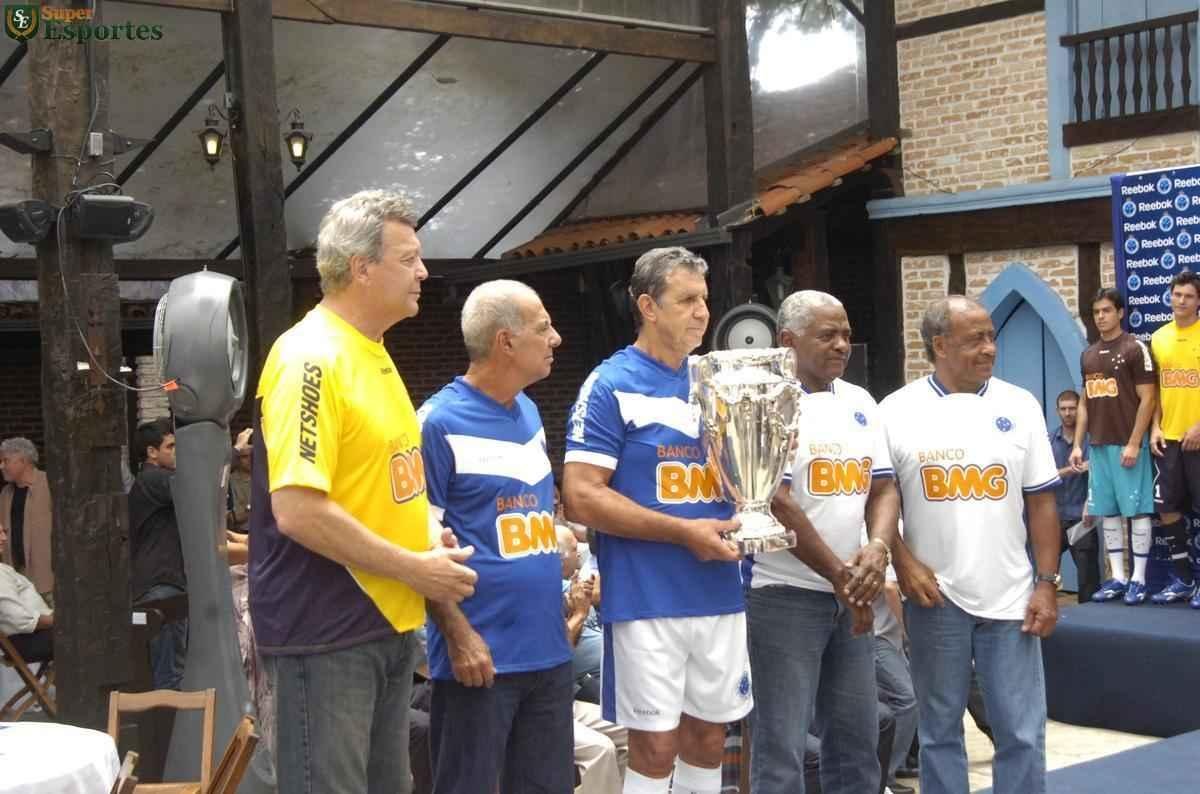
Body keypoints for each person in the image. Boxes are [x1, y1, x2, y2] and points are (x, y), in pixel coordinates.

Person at [249, 189, 477, 794]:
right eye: (409, 258)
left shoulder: (371, 352)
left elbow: (386, 485)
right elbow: (297, 511)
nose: (424, 272)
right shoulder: (310, 357)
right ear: (361, 267)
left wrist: (427, 537)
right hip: (326, 628)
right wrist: (415, 568)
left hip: (383, 622)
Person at [563, 246, 747, 794]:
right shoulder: (610, 383)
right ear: (647, 305)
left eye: (705, 300)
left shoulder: (718, 382)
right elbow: (580, 497)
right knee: (655, 745)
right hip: (647, 597)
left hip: (719, 590)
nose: (701, 312)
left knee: (711, 739)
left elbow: (751, 479)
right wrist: (682, 531)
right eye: (686, 300)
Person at [881, 295, 1061, 794]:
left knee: (1021, 731)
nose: (989, 348)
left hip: (1012, 597)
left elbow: (1043, 503)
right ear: (939, 345)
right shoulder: (895, 411)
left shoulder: (1019, 405)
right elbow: (879, 500)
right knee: (940, 732)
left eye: (991, 337)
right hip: (935, 598)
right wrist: (904, 562)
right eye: (974, 339)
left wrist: (1047, 583)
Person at [418, 279, 574, 793]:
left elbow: (515, 514)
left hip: (548, 650)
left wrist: (557, 539)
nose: (556, 339)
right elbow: (419, 544)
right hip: (480, 659)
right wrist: (459, 637)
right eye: (544, 327)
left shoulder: (529, 412)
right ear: (506, 341)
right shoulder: (436, 423)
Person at [742, 290, 900, 793]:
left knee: (856, 740)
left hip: (848, 596)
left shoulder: (859, 401)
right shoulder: (764, 402)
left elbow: (884, 487)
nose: (841, 345)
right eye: (827, 334)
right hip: (781, 596)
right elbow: (776, 502)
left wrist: (877, 548)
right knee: (782, 747)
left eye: (847, 334)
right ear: (787, 341)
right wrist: (842, 576)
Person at [1067, 289, 1156, 605]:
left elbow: (1149, 398)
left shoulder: (1135, 349)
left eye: (1106, 310)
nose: (1101, 317)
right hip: (1099, 446)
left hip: (1128, 443)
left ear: (1120, 313)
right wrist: (1078, 445)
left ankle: (1139, 579)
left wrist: (1134, 442)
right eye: (1096, 312)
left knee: (1137, 509)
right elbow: (1086, 403)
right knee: (1108, 512)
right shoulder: (1088, 355)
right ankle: (1117, 577)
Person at [1149, 270, 1200, 608]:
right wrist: (1154, 426)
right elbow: (1153, 390)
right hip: (1167, 439)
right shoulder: (1158, 337)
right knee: (1166, 509)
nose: (1181, 301)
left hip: (1198, 437)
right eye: (1177, 295)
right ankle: (1183, 579)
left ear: (1198, 301)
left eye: (1188, 296)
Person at [129, 417, 188, 690]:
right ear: (152, 452)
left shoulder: (153, 482)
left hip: (162, 583)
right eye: (171, 446)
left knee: (171, 670)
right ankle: (170, 731)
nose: (177, 452)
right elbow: (196, 489)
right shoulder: (154, 479)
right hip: (161, 585)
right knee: (170, 675)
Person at [1049, 389, 1099, 603]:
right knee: (1047, 572)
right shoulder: (1048, 440)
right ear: (1057, 411)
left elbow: (1100, 474)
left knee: (1088, 576)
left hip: (1082, 516)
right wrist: (1071, 469)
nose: (1068, 413)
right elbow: (1044, 475)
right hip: (1053, 518)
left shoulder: (1092, 440)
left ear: (1080, 410)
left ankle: (1092, 620)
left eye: (1072, 408)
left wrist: (1091, 504)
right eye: (1064, 409)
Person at [0, 437, 53, 601]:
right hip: (18, 583)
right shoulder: (5, 494)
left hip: (48, 582)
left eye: (5, 460)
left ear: (23, 460)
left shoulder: (50, 485)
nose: (1, 466)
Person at [0, 524, 53, 663]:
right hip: (28, 641)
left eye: (4, 532)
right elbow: (19, 619)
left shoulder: (3, 569)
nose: (4, 538)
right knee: (94, 630)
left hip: (30, 638)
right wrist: (62, 620)